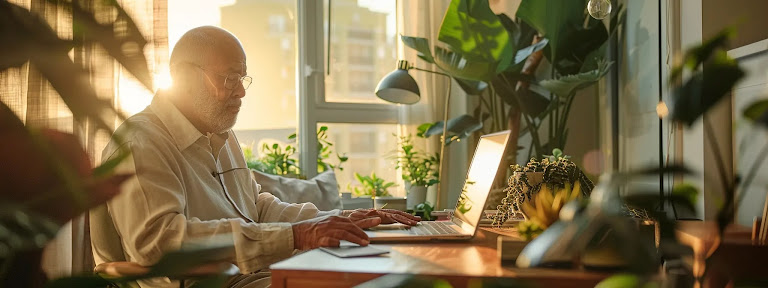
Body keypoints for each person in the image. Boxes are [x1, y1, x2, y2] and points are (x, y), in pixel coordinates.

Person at [94, 26, 419, 288]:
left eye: (242, 79)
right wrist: (297, 235)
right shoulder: (140, 143)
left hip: (250, 275)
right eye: (229, 79)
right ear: (183, 76)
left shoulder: (219, 135)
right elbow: (159, 245)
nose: (241, 92)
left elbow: (257, 207)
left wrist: (332, 220)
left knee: (384, 273)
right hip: (205, 284)